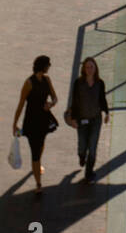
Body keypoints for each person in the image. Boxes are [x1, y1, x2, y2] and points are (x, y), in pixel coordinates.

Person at [12, 55, 58, 196]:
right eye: (48, 64)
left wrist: (51, 104)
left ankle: (36, 167)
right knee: (35, 151)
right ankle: (38, 184)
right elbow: (21, 104)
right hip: (32, 121)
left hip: (44, 119)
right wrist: (14, 123)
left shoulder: (47, 80)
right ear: (43, 66)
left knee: (41, 144)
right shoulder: (29, 83)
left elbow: (55, 98)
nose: (49, 66)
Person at [66, 56, 110, 184]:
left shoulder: (99, 83)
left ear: (95, 68)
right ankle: (81, 156)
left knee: (93, 147)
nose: (89, 69)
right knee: (82, 146)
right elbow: (74, 101)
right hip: (82, 119)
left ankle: (89, 172)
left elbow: (102, 99)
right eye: (87, 67)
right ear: (83, 69)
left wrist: (106, 112)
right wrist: (73, 118)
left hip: (96, 119)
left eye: (92, 67)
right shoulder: (78, 83)